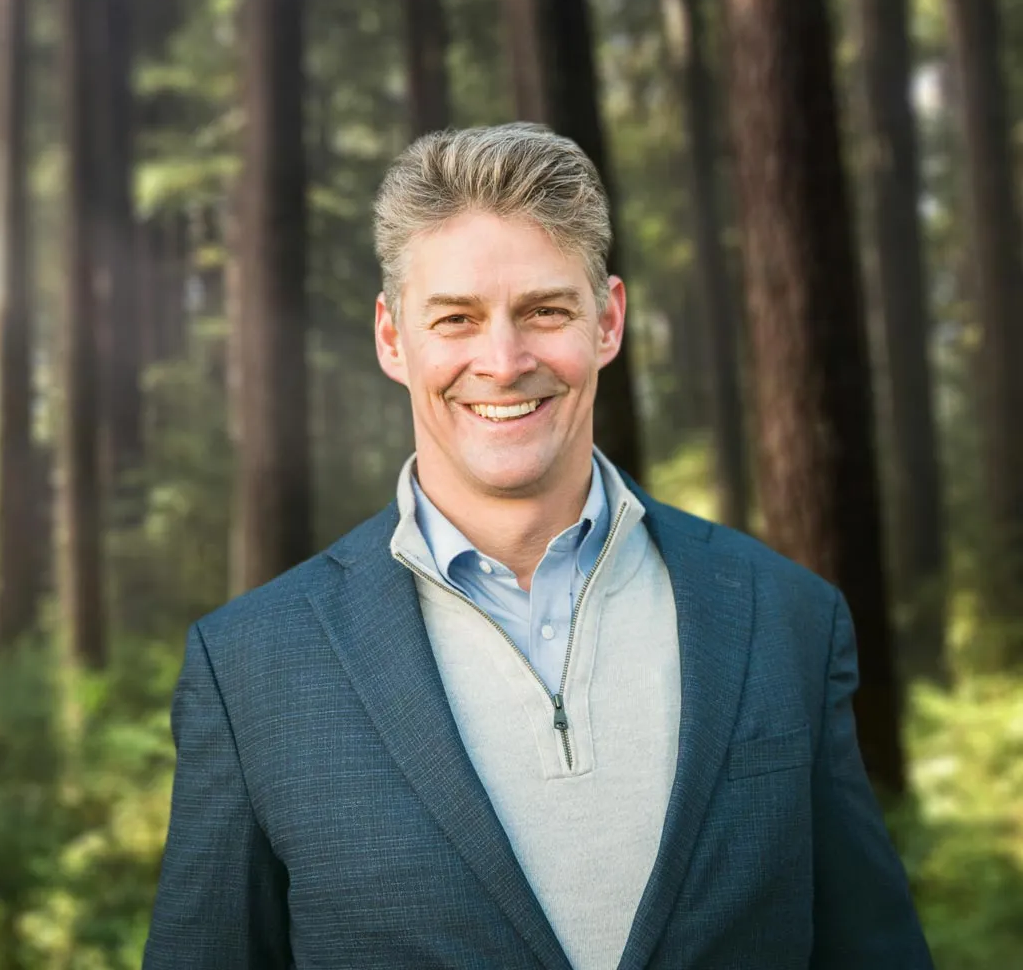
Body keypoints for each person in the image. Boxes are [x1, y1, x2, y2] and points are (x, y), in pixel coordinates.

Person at [141, 123, 931, 969]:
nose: (504, 360)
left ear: (608, 321)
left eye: (545, 311)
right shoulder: (251, 667)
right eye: (457, 319)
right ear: (392, 338)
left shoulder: (787, 618)